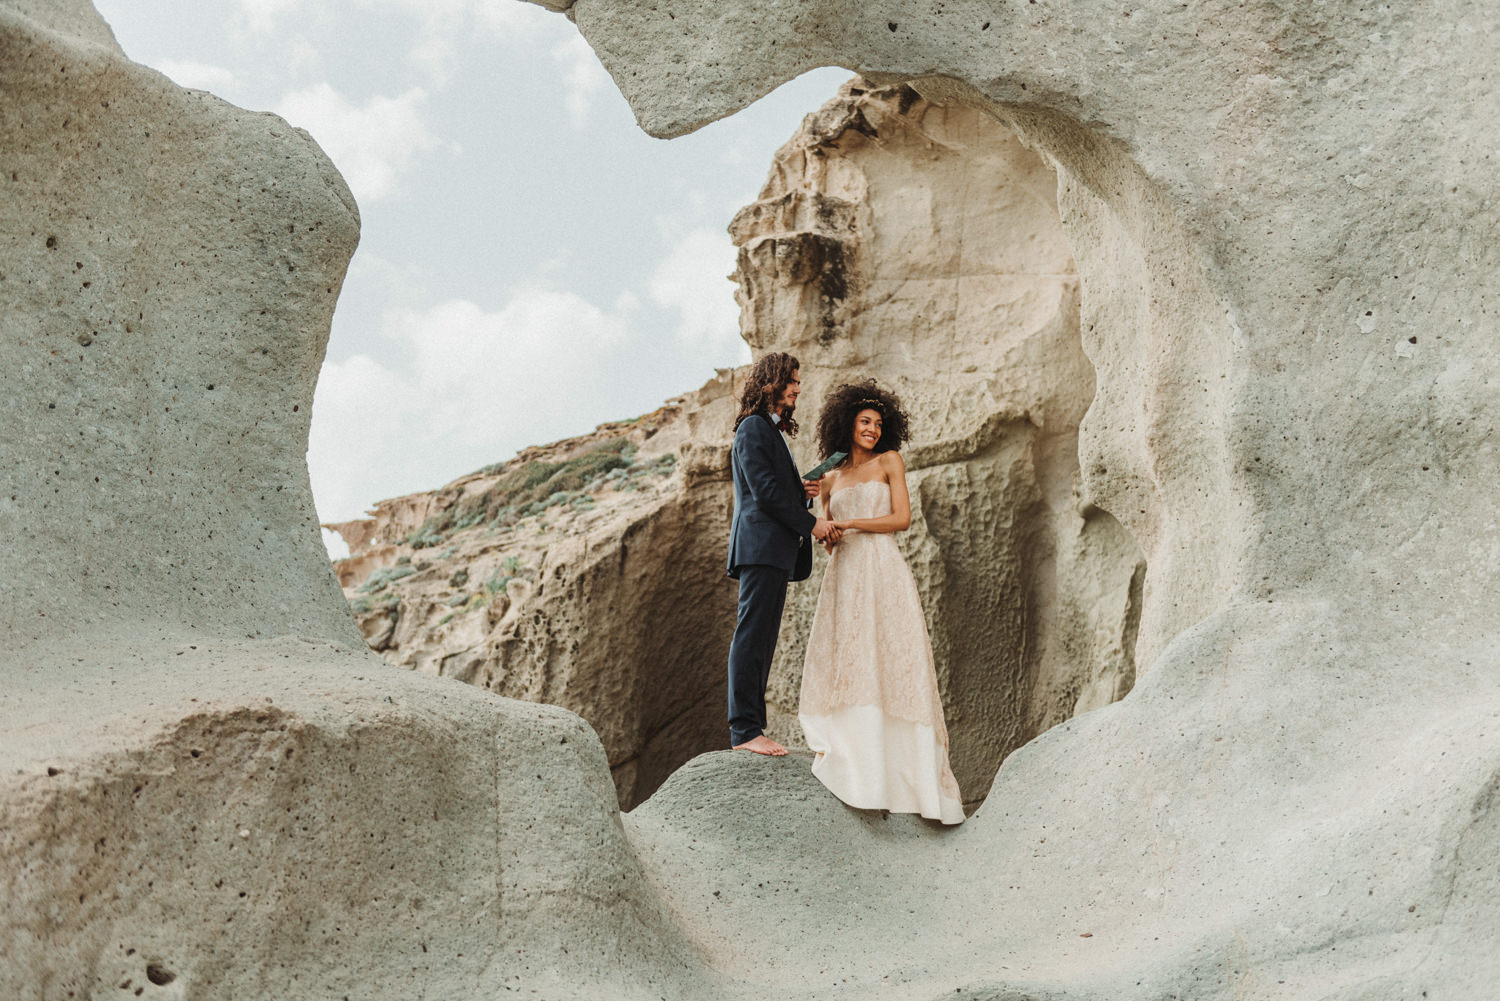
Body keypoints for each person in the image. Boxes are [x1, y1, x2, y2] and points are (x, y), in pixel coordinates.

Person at [798, 380, 965, 823]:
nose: (872, 429)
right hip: (846, 571)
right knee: (852, 656)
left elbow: (901, 519)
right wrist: (825, 525)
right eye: (864, 421)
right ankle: (859, 765)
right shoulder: (830, 477)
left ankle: (906, 779)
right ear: (847, 423)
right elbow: (827, 539)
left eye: (878, 423)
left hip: (882, 566)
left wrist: (847, 522)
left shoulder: (890, 461)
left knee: (893, 655)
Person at [726, 353, 836, 756]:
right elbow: (765, 495)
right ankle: (744, 731)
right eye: (791, 380)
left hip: (770, 549)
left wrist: (801, 494)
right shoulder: (753, 427)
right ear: (770, 382)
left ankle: (750, 728)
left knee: (762, 638)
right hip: (760, 548)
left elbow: (773, 491)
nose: (797, 388)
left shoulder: (768, 430)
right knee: (752, 636)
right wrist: (813, 524)